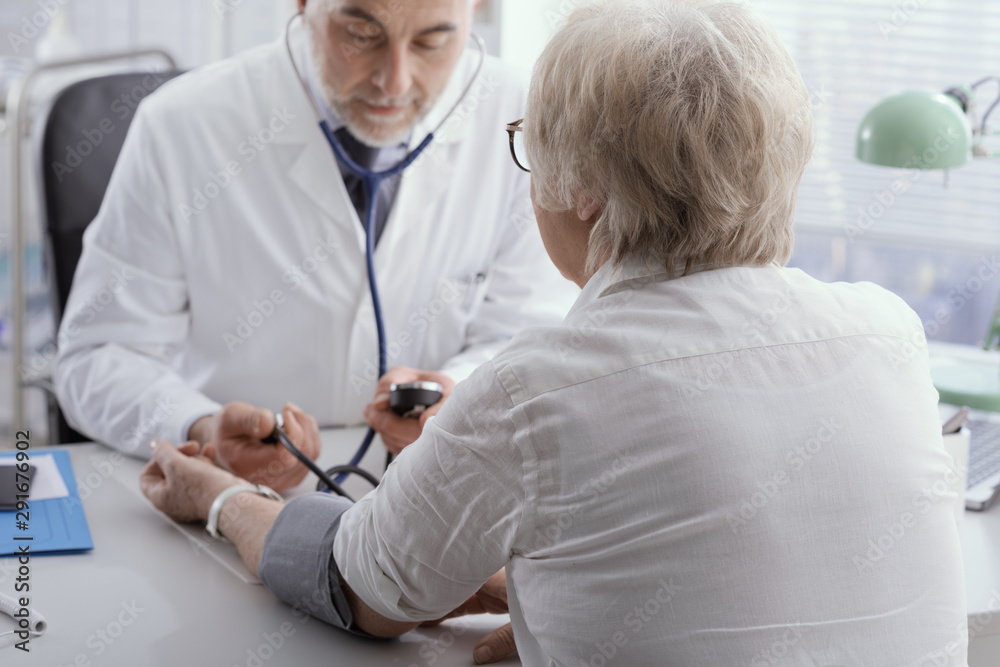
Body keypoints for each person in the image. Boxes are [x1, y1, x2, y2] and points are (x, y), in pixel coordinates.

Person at [140, 0, 968, 664]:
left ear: (584, 190)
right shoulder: (888, 335)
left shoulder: (536, 390)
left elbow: (356, 582)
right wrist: (569, 607)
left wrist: (220, 501)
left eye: (530, 149)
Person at [52, 0, 574, 489]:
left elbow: (532, 333)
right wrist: (200, 425)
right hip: (229, 492)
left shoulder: (520, 120)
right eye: (361, 34)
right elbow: (98, 358)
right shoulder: (180, 127)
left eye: (432, 41)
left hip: (436, 495)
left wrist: (458, 398)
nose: (394, 80)